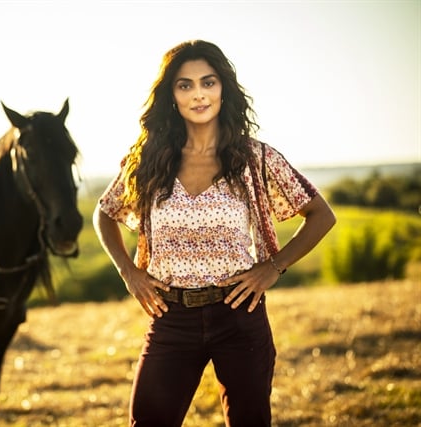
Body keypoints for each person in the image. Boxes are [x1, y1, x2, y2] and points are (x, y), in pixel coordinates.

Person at [92, 40, 336, 427]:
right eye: (185, 85)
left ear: (224, 88)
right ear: (170, 95)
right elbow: (104, 214)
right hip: (171, 316)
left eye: (208, 82)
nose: (198, 94)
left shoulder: (256, 159)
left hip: (240, 315)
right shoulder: (149, 160)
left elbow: (321, 215)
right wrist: (129, 272)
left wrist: (274, 267)